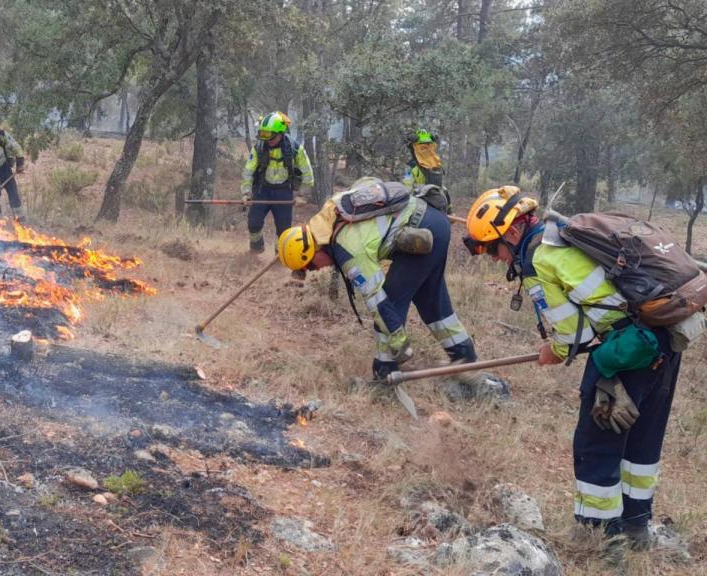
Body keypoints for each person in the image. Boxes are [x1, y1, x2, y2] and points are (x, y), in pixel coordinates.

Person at [462, 186, 683, 548]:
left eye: (491, 247)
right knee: (642, 438)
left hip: (625, 351)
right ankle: (636, 528)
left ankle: (600, 539)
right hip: (663, 339)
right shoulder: (564, 235)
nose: (493, 258)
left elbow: (573, 334)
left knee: (596, 443)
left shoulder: (538, 258)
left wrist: (553, 349)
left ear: (513, 232)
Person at [276, 177, 478, 382]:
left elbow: (376, 297)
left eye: (310, 266)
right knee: (430, 300)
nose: (315, 270)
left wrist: (399, 342)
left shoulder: (348, 248)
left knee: (390, 300)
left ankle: (385, 369)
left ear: (312, 250)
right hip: (434, 221)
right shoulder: (327, 218)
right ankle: (464, 355)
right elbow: (367, 182)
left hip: (423, 229)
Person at [241, 112, 314, 254]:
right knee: (253, 224)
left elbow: (308, 174)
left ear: (280, 133)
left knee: (283, 230)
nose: (266, 139)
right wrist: (246, 193)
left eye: (269, 135)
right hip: (263, 190)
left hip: (283, 192)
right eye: (263, 134)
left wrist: (303, 196)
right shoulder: (259, 149)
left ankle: (278, 258)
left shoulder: (295, 149)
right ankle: (256, 249)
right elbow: (248, 172)